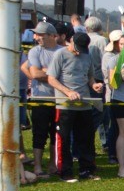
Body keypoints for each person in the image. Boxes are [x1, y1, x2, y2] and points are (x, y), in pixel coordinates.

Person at [45, 31, 104, 182]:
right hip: (65, 106)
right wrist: (67, 92)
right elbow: (51, 78)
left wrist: (94, 85)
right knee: (64, 139)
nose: (79, 52)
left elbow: (89, 77)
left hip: (84, 104)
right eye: (77, 48)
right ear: (71, 41)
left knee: (86, 138)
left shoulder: (87, 56)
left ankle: (87, 170)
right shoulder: (60, 55)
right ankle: (65, 172)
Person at [22, 21, 64, 178]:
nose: (36, 37)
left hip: (58, 98)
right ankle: (38, 166)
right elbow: (35, 74)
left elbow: (64, 75)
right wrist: (53, 75)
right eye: (36, 34)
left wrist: (45, 72)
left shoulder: (62, 51)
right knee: (39, 133)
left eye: (40, 34)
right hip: (40, 98)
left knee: (56, 132)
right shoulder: (34, 51)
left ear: (52, 36)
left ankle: (54, 164)